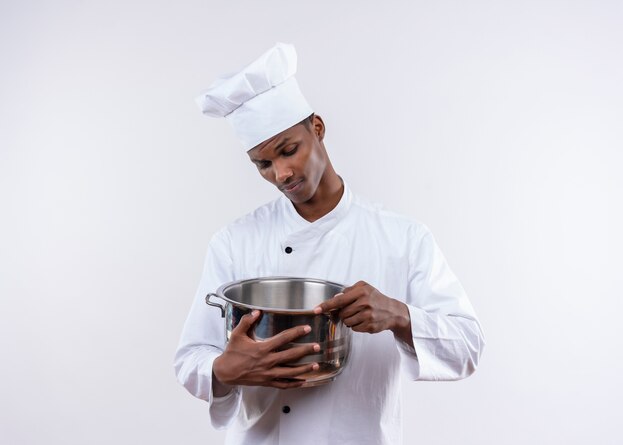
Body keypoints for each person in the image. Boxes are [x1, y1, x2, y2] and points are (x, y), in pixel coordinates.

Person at [174, 42, 485, 445]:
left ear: (317, 129)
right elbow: (190, 357)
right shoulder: (235, 241)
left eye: (289, 150)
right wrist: (222, 369)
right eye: (263, 164)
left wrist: (400, 315)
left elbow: (468, 347)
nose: (282, 173)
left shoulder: (402, 238)